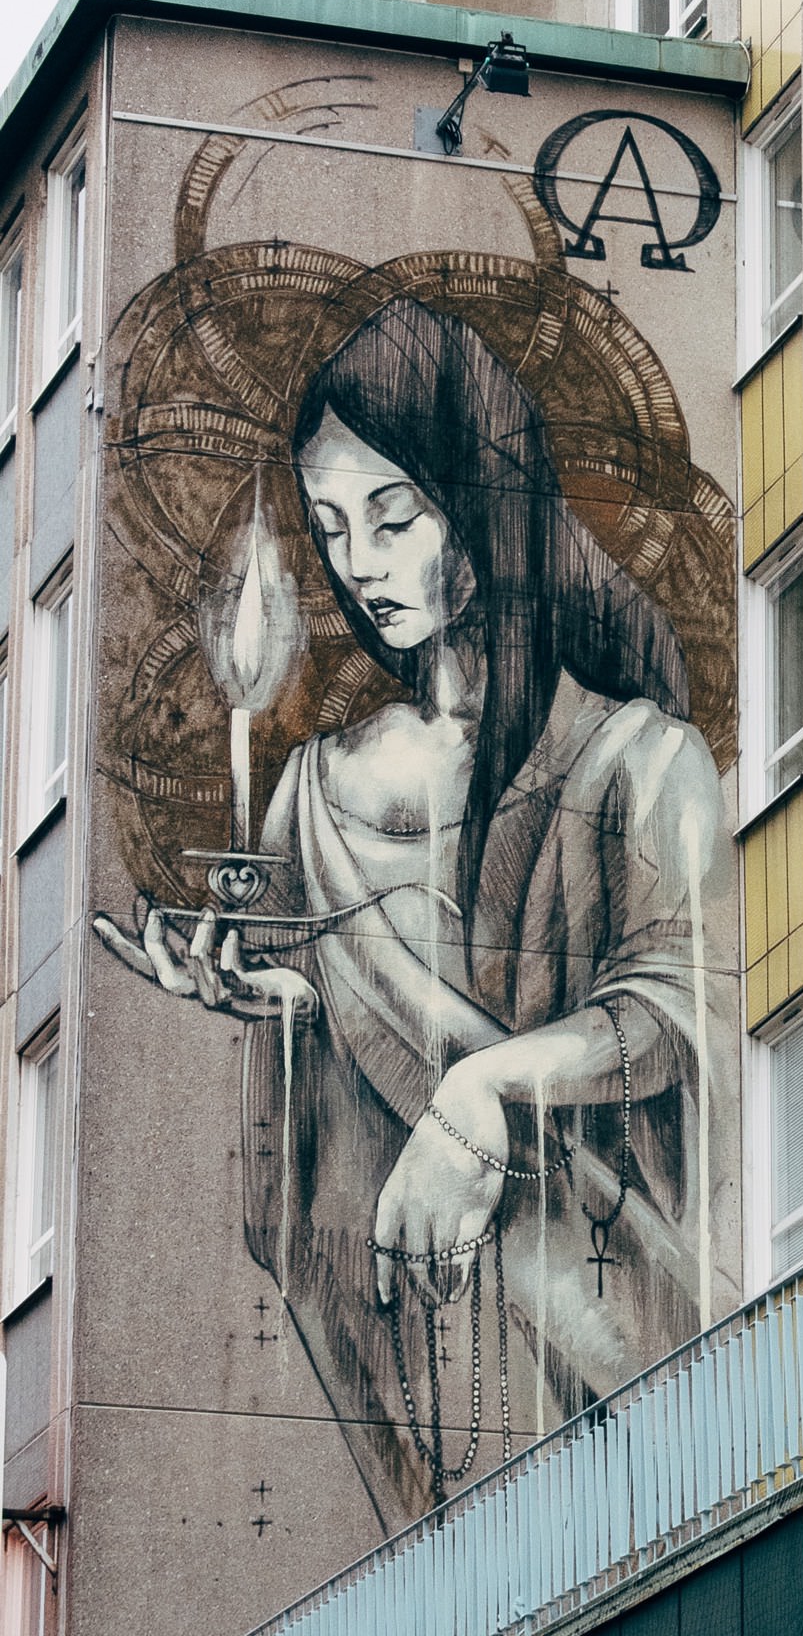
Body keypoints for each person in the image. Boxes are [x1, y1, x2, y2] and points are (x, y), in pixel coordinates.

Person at [96, 297, 733, 1528]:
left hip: (591, 1327)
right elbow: (306, 1155)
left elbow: (678, 1005)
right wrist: (276, 1002)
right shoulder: (312, 792)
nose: (362, 563)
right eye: (334, 527)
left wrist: (485, 1086)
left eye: (394, 517)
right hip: (409, 1334)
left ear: (483, 500)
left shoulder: (638, 764)